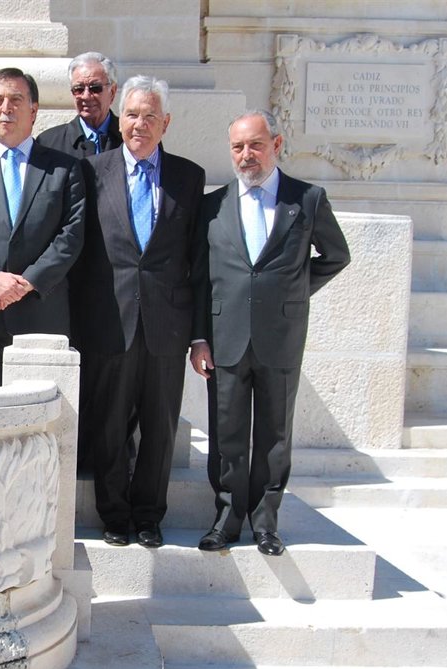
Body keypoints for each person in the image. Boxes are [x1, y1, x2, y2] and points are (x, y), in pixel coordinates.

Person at [190, 110, 351, 556]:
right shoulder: (212, 206)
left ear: (276, 145)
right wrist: (199, 337)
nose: (247, 155)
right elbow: (198, 276)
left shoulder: (308, 199)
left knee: (274, 436)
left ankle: (266, 524)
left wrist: (293, 291)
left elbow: (336, 255)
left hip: (280, 336)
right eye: (238, 147)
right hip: (224, 338)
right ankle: (225, 521)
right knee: (227, 434)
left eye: (256, 145)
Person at [71, 76, 205, 550]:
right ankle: (113, 513)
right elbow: (80, 253)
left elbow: (198, 261)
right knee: (109, 424)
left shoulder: (189, 178)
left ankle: (149, 515)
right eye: (131, 115)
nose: (139, 125)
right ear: (119, 119)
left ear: (166, 123)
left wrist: (200, 334)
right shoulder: (92, 172)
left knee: (160, 427)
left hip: (167, 325)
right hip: (110, 321)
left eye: (150, 116)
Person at [0, 68, 85, 389]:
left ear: (34, 110)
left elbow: (71, 233)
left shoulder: (64, 168)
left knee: (39, 415)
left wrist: (29, 281)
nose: (5, 108)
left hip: (41, 313)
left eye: (16, 100)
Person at [36, 52, 123, 159]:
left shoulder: (131, 138)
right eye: (79, 89)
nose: (86, 96)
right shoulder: (48, 143)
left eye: (95, 88)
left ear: (112, 92)